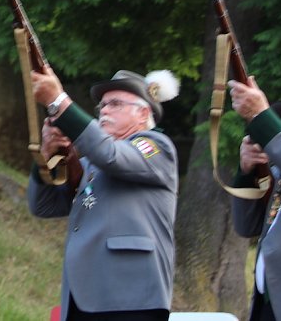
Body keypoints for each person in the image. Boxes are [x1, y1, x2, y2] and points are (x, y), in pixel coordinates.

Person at [29, 68, 180, 321]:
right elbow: (42, 206)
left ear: (143, 113)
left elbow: (112, 156)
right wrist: (48, 156)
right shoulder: (91, 163)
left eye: (115, 104)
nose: (105, 110)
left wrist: (58, 102)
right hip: (83, 298)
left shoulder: (155, 146)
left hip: (131, 298)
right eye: (102, 106)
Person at [230, 78, 281, 321]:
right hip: (271, 301)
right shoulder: (280, 175)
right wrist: (248, 170)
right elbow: (247, 226)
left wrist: (260, 116)